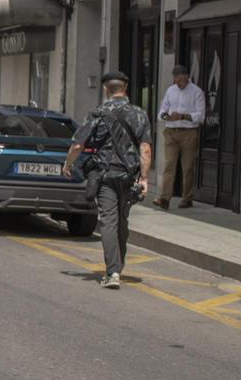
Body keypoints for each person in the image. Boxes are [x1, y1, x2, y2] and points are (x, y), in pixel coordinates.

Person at [62, 71, 153, 290]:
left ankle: (113, 272)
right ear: (126, 87)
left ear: (105, 89)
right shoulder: (139, 114)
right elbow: (146, 149)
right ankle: (117, 266)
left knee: (109, 222)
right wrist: (144, 178)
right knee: (122, 221)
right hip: (128, 176)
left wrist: (67, 164)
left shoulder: (97, 113)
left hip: (105, 175)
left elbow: (77, 145)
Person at [154, 64, 205, 209]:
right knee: (169, 165)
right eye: (177, 81)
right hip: (171, 132)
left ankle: (187, 198)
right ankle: (165, 199)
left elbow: (200, 116)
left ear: (188, 77)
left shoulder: (197, 92)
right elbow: (162, 111)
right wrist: (166, 116)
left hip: (189, 133)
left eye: (182, 81)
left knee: (187, 167)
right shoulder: (171, 91)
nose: (180, 84)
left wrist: (182, 116)